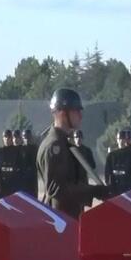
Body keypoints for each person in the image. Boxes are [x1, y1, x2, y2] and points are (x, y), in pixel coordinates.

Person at [38, 88, 107, 218]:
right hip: (61, 220)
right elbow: (57, 189)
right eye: (76, 111)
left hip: (70, 216)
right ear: (63, 113)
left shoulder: (63, 142)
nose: (80, 116)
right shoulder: (55, 145)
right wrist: (93, 191)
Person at [105, 129, 131, 195]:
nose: (121, 141)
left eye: (123, 138)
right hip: (115, 189)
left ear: (126, 139)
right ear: (117, 140)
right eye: (119, 138)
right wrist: (109, 186)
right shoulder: (112, 155)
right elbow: (107, 173)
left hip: (129, 189)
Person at [0, 129, 20, 199]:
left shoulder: (17, 152)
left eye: (9, 137)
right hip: (2, 185)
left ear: (11, 138)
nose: (7, 139)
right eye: (5, 137)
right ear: (3, 138)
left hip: (13, 185)